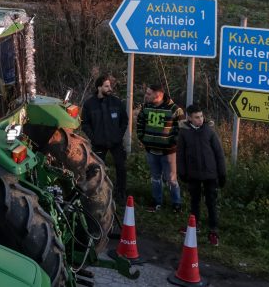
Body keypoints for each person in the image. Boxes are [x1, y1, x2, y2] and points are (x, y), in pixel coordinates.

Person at [177, 103, 226, 246]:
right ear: (189, 118)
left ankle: (213, 232)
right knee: (194, 202)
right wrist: (182, 173)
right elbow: (180, 155)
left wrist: (222, 174)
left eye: (201, 116)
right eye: (196, 117)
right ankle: (194, 226)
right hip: (193, 174)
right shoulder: (184, 133)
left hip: (211, 175)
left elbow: (219, 154)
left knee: (211, 203)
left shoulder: (209, 131)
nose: (200, 119)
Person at [135, 84, 184, 212]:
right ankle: (157, 202)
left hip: (168, 152)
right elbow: (140, 123)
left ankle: (176, 203)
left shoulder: (174, 109)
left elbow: (181, 130)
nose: (146, 95)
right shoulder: (146, 107)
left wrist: (171, 143)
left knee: (171, 179)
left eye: (149, 93)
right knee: (155, 178)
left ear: (158, 95)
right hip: (151, 150)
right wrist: (143, 138)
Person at [81, 74, 128, 202]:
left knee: (121, 167)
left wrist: (118, 135)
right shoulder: (89, 104)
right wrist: (94, 137)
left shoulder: (117, 102)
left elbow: (125, 121)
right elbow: (84, 123)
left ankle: (121, 193)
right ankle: (97, 193)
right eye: (106, 86)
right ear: (99, 87)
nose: (110, 88)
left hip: (115, 142)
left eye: (110, 86)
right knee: (96, 169)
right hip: (99, 143)